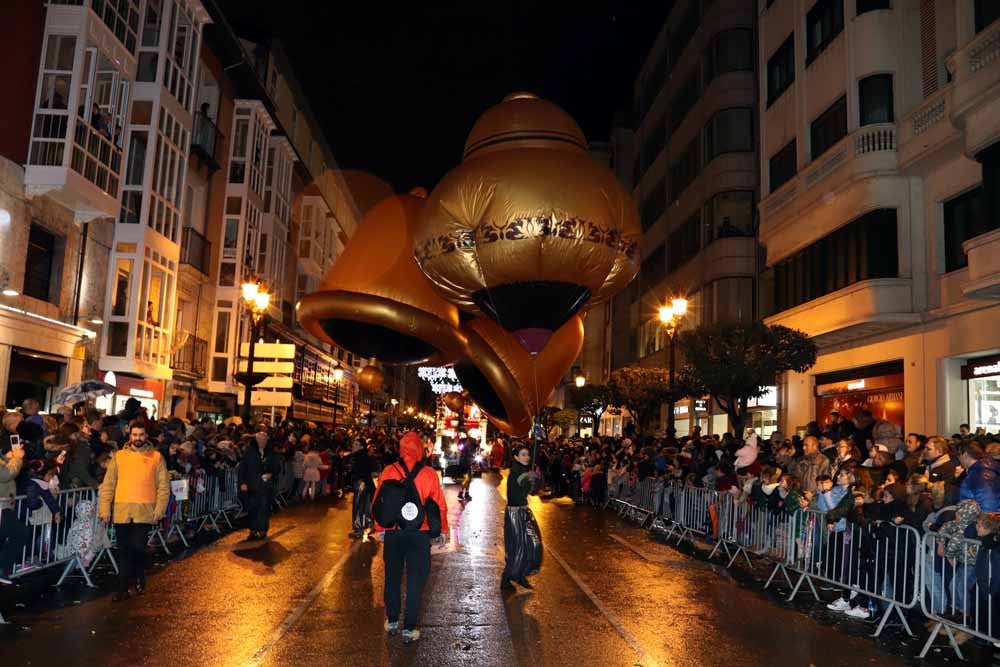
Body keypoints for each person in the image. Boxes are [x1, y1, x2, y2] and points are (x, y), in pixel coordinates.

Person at [373, 432, 449, 645]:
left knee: (392, 577)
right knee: (416, 581)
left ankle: (392, 620)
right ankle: (409, 628)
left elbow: (378, 501)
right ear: (420, 449)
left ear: (401, 448)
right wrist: (443, 530)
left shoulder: (389, 470)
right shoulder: (429, 473)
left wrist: (380, 527)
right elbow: (439, 505)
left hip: (394, 533)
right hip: (419, 533)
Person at [98, 422, 170, 601]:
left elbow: (163, 487)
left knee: (137, 547)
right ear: (129, 436)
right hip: (122, 510)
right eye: (135, 434)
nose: (138, 438)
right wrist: (105, 509)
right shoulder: (119, 456)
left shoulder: (156, 457)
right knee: (123, 550)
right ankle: (122, 588)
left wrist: (160, 509)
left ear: (146, 435)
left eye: (141, 434)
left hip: (145, 511)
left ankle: (138, 573)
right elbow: (108, 484)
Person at [502, 443, 543, 592]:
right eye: (523, 455)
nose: (527, 457)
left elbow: (533, 490)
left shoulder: (522, 471)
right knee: (519, 547)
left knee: (530, 544)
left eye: (527, 454)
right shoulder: (518, 472)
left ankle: (519, 574)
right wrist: (532, 479)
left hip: (523, 512)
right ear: (516, 457)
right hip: (515, 514)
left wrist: (535, 478)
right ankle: (507, 577)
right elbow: (531, 490)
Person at [238, 428, 282, 540]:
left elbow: (277, 467)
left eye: (264, 440)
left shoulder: (272, 452)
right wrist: (242, 482)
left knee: (264, 507)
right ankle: (253, 529)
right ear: (256, 440)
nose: (262, 442)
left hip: (266, 486)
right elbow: (242, 468)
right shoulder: (249, 452)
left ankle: (262, 529)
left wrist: (271, 474)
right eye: (260, 440)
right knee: (252, 508)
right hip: (252, 485)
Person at [0, 441, 28, 583]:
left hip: (5, 506)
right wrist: (16, 458)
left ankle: (3, 567)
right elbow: (5, 474)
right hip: (2, 506)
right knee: (21, 533)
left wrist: (9, 457)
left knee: (18, 533)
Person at [348, 439, 375, 539]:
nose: (353, 445)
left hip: (361, 484)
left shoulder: (358, 456)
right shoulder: (366, 456)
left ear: (361, 446)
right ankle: (369, 524)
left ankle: (358, 529)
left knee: (358, 506)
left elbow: (355, 471)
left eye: (355, 444)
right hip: (366, 484)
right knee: (366, 506)